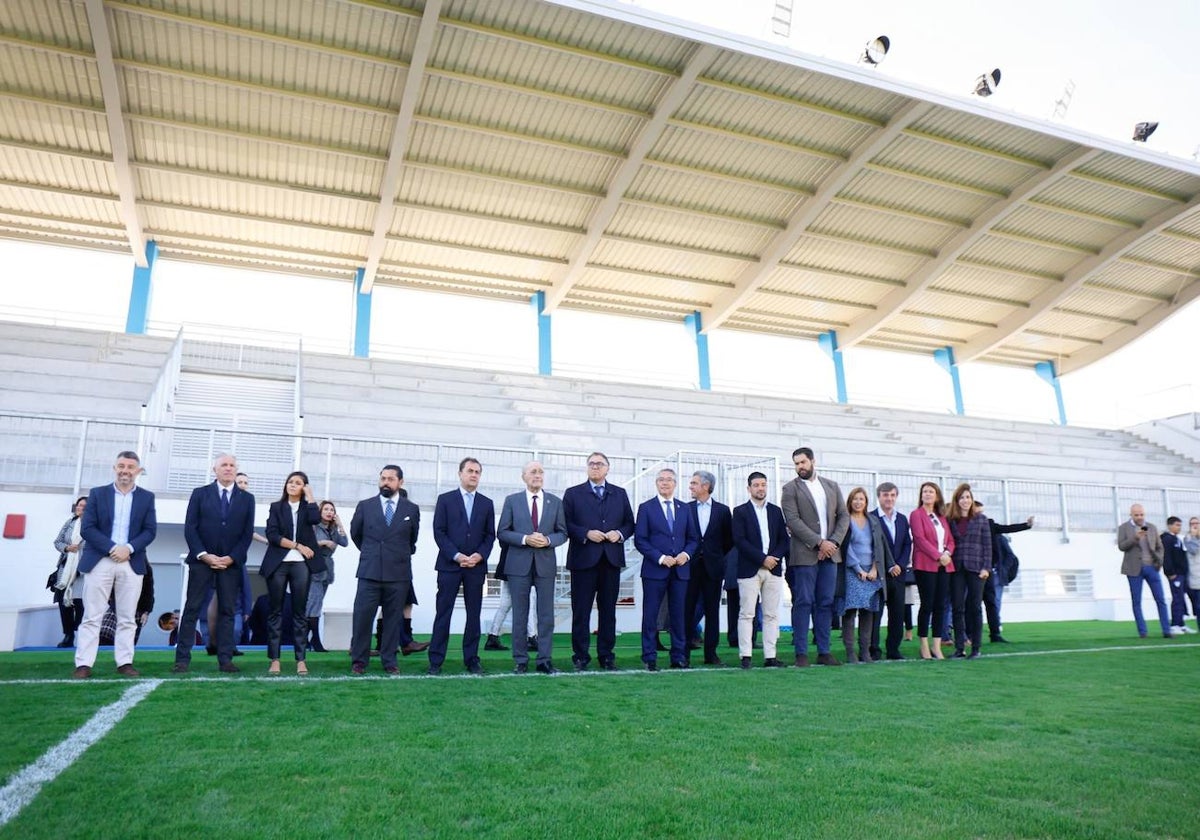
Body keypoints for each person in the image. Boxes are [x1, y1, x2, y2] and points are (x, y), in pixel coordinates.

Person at [72, 450, 158, 679]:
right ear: (114, 468)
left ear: (137, 471)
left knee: (128, 617)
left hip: (131, 562)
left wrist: (127, 548)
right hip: (100, 560)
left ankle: (124, 662)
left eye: (130, 467)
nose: (125, 471)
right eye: (121, 466)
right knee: (92, 615)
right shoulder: (98, 494)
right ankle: (83, 664)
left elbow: (150, 531)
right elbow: (88, 528)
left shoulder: (147, 497)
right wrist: (113, 548)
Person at [175, 452, 255, 674]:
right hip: (202, 563)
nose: (228, 468)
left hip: (230, 565)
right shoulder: (200, 494)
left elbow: (246, 533)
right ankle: (182, 660)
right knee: (191, 610)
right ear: (215, 469)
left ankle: (226, 660)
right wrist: (204, 554)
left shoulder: (247, 499)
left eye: (232, 465)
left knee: (228, 611)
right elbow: (190, 528)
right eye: (224, 465)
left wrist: (231, 558)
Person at [562, 452, 635, 671]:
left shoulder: (620, 494)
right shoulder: (573, 494)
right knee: (581, 611)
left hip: (610, 560)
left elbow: (630, 523)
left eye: (600, 464)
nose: (595, 467)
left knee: (608, 611)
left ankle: (606, 655)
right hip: (583, 560)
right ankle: (581, 655)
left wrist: (619, 534)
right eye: (592, 464)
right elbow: (565, 523)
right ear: (587, 468)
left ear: (607, 468)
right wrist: (586, 533)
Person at [497, 460, 568, 674]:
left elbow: (562, 533)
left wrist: (547, 540)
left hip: (545, 565)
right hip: (518, 565)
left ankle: (544, 660)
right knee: (520, 614)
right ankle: (520, 660)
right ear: (523, 476)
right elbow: (502, 532)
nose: (537, 475)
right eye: (532, 472)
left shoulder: (555, 502)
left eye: (540, 472)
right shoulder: (512, 501)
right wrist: (526, 538)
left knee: (546, 615)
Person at [781, 447, 849, 667]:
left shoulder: (831, 486)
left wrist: (833, 543)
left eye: (802, 462)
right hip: (804, 555)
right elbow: (792, 520)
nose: (800, 467)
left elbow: (844, 517)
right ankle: (801, 652)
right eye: (796, 463)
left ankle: (824, 651)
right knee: (803, 602)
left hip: (831, 555)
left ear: (812, 461)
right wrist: (820, 543)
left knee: (825, 603)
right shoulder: (790, 489)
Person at [429, 458, 496, 676]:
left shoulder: (486, 503)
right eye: (470, 471)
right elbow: (439, 531)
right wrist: (457, 556)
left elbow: (489, 535)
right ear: (460, 473)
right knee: (443, 613)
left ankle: (472, 659)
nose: (474, 475)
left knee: (473, 614)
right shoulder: (445, 500)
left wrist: (479, 555)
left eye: (477, 471)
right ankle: (436, 661)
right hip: (449, 566)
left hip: (476, 567)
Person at [349, 464, 419, 675]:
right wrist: (373, 552)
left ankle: (389, 660)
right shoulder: (365, 506)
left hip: (398, 574)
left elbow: (411, 539)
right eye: (383, 478)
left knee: (392, 619)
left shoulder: (411, 509)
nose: (385, 482)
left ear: (400, 482)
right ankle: (359, 661)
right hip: (369, 572)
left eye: (390, 479)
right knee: (362, 618)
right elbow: (356, 534)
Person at [634, 468, 699, 671]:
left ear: (675, 483)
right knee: (651, 614)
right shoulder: (646, 508)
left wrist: (685, 555)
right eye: (661, 480)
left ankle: (678, 656)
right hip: (655, 570)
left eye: (669, 480)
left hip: (680, 571)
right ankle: (649, 656)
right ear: (656, 483)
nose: (665, 483)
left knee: (679, 615)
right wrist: (661, 558)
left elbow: (693, 538)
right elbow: (640, 540)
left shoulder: (684, 508)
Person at [262, 471, 321, 675]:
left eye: (298, 483)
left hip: (301, 565)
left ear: (304, 487)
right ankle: (275, 659)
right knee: (275, 612)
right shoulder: (276, 507)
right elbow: (272, 534)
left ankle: (301, 660)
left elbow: (315, 519)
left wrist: (311, 496)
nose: (292, 485)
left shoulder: (308, 507)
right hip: (278, 563)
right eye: (290, 482)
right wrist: (298, 546)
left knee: (300, 614)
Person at [731, 471, 789, 669]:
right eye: (756, 485)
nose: (760, 488)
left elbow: (784, 539)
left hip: (773, 569)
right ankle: (745, 656)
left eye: (763, 484)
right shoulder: (740, 512)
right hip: (749, 569)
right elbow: (739, 540)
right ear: (749, 488)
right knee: (747, 614)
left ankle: (770, 656)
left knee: (771, 614)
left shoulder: (775, 511)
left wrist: (773, 558)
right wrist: (762, 558)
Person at [684, 470, 734, 666]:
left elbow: (728, 540)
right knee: (687, 610)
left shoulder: (722, 511)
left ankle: (711, 653)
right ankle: (684, 652)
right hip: (690, 566)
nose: (691, 487)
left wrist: (716, 555)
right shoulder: (685, 509)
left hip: (713, 567)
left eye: (694, 483)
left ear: (706, 486)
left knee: (712, 611)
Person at [840, 487, 889, 664]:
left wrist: (875, 568)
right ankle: (850, 652)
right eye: (855, 499)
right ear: (850, 501)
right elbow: (847, 547)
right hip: (853, 571)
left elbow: (878, 545)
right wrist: (858, 569)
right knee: (850, 611)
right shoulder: (845, 520)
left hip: (872, 571)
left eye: (861, 499)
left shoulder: (873, 520)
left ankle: (865, 651)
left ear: (866, 502)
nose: (858, 502)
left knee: (868, 612)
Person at [946, 484, 992, 659]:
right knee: (957, 608)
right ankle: (959, 648)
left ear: (971, 500)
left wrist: (986, 567)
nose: (965, 501)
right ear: (957, 501)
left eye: (968, 497)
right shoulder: (951, 520)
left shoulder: (981, 519)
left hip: (977, 568)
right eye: (962, 498)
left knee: (975, 607)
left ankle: (976, 648)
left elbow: (988, 545)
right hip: (957, 568)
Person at [910, 482, 955, 660]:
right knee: (927, 605)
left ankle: (937, 646)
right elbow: (920, 540)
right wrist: (938, 556)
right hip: (925, 566)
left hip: (944, 566)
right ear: (921, 495)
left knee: (940, 606)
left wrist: (947, 553)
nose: (928, 494)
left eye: (931, 492)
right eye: (925, 492)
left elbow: (950, 540)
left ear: (937, 496)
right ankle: (924, 645)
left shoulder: (941, 517)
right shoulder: (916, 515)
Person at [976, 503, 1032, 643]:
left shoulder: (989, 524)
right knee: (972, 604)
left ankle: (995, 634)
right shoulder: (964, 524)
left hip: (987, 570)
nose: (982, 515)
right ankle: (970, 635)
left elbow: (1007, 528)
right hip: (972, 570)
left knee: (991, 603)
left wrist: (1026, 525)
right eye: (978, 512)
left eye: (983, 512)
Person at [1117, 504, 1171, 639]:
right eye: (1136, 515)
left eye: (1141, 514)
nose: (1139, 517)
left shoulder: (1151, 527)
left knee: (1161, 600)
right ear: (1131, 515)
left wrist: (1158, 563)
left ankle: (1166, 631)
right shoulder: (1124, 528)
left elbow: (1160, 547)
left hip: (1151, 568)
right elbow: (1121, 546)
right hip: (1134, 569)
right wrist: (1135, 537)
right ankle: (1143, 632)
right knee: (1137, 601)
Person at [870, 482, 911, 660]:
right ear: (879, 497)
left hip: (898, 574)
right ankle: (873, 650)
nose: (889, 498)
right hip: (879, 574)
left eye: (892, 495)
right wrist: (887, 566)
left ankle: (893, 649)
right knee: (875, 614)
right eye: (885, 495)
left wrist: (899, 565)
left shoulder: (901, 519)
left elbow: (907, 544)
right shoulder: (871, 518)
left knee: (897, 614)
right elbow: (871, 546)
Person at [307, 500, 346, 652]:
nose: (329, 512)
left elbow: (344, 542)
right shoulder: (314, 526)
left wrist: (340, 523)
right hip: (315, 567)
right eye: (326, 509)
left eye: (331, 510)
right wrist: (322, 542)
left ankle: (308, 639)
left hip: (327, 569)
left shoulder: (333, 528)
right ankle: (315, 640)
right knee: (314, 605)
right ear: (320, 511)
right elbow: (307, 543)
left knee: (316, 604)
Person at [51, 496, 88, 648]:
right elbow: (57, 541)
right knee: (63, 603)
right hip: (65, 568)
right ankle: (68, 635)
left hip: (83, 571)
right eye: (79, 505)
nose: (81, 508)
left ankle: (80, 633)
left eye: (85, 506)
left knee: (80, 603)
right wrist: (67, 548)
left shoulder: (93, 526)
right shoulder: (70, 522)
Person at [1161, 516, 1193, 634]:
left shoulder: (1177, 539)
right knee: (1177, 598)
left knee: (1182, 598)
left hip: (1182, 574)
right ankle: (1174, 625)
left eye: (1180, 525)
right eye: (1177, 525)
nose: (1179, 528)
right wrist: (1170, 572)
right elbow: (1166, 557)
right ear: (1170, 525)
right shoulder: (1167, 539)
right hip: (1175, 575)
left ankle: (1181, 623)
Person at [1184, 517, 1200, 633]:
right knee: (1198, 606)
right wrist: (1194, 537)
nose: (1194, 526)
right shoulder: (1188, 538)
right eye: (1192, 524)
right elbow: (1193, 550)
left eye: (1196, 523)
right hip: (1196, 577)